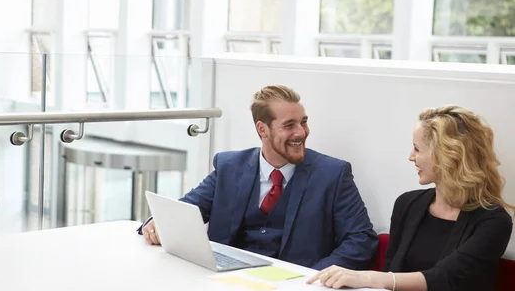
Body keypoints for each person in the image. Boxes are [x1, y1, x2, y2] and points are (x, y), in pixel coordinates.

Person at [139, 85, 378, 270]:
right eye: (289, 125)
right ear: (263, 129)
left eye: (303, 122)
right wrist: (156, 222)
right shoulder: (229, 166)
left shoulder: (333, 174)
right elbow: (185, 211)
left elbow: (362, 239)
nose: (301, 132)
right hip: (225, 285)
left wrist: (316, 277)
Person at [307, 105, 514, 291]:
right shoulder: (408, 204)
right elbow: (391, 272)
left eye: (417, 149)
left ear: (447, 155)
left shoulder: (494, 220)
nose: (410, 156)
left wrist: (366, 278)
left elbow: (446, 280)